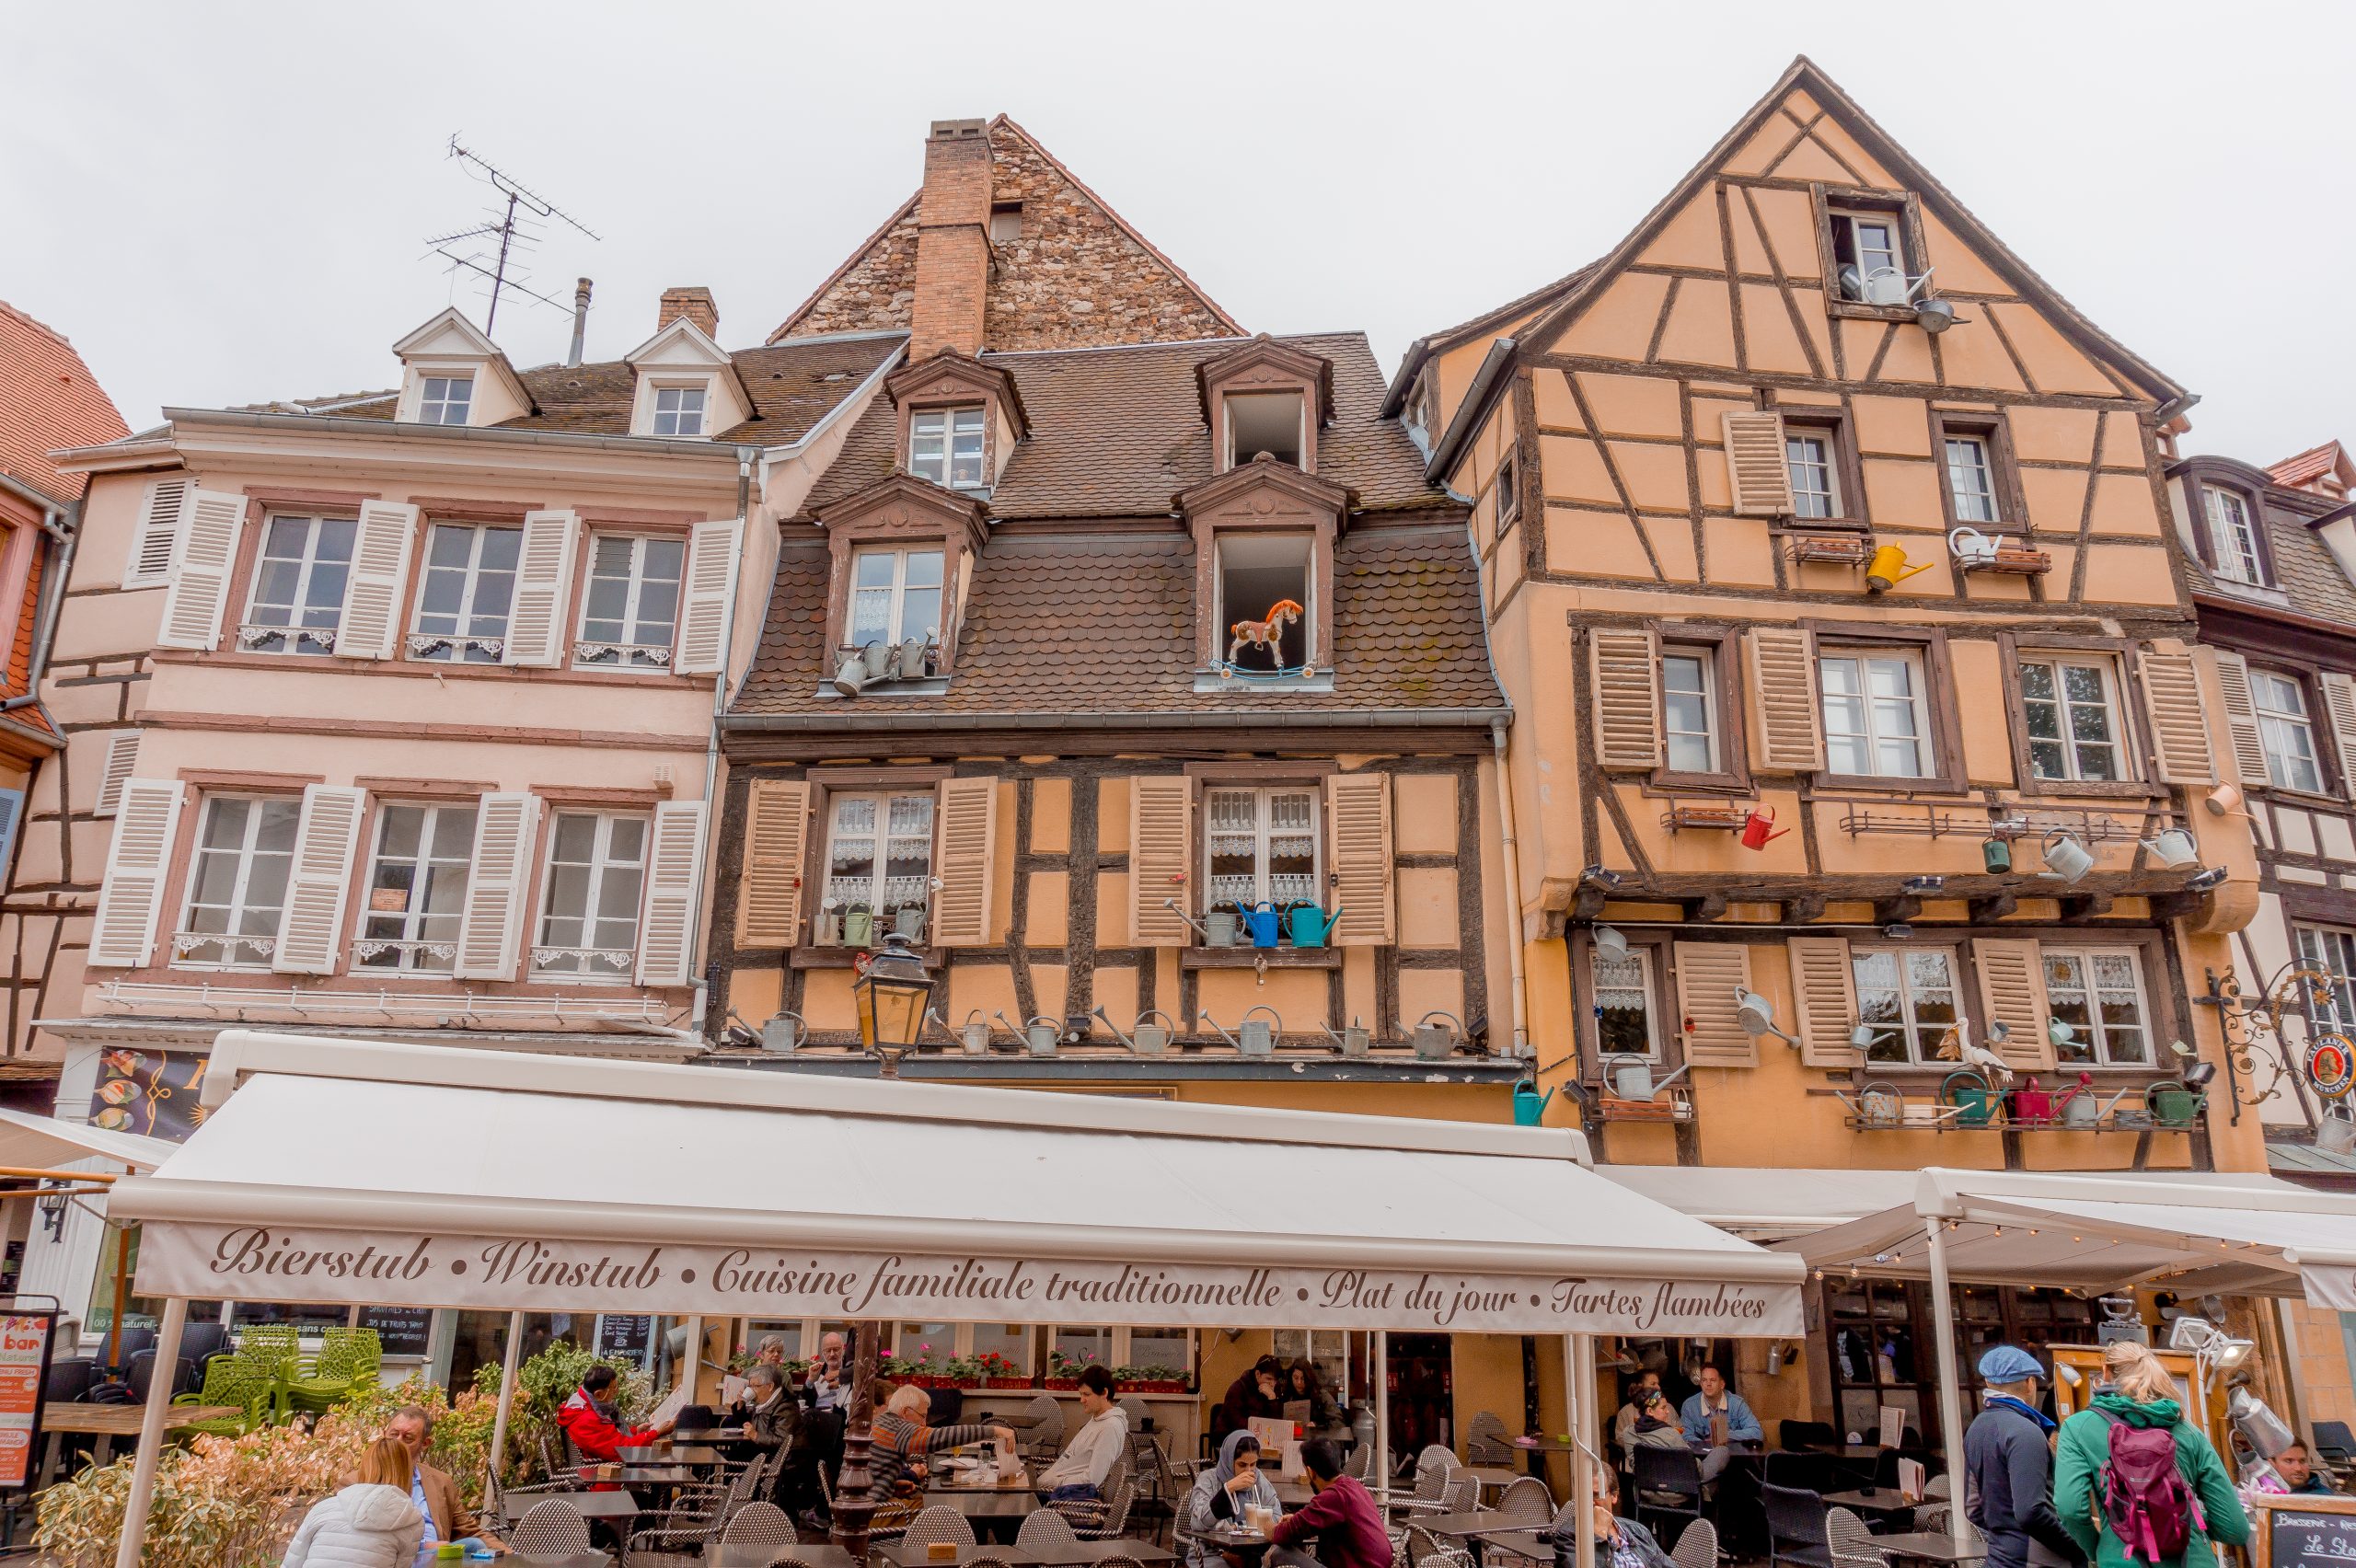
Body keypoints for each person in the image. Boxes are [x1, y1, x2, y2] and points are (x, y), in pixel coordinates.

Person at [2054, 1340, 2249, 1568]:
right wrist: (2181, 1519)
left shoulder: (2079, 1427)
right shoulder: (2186, 1431)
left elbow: (2070, 1508)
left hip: (2121, 1560)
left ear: (2106, 1371)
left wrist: (2098, 1549)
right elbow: (2235, 1528)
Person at [1965, 1345, 2083, 1568]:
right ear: (2030, 1383)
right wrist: (2077, 1547)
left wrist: (2004, 1535)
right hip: (2039, 1560)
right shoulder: (2027, 1432)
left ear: (1989, 1383)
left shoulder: (1977, 1427)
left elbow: (1973, 1506)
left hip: (1998, 1558)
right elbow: (2031, 1512)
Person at [282, 1435, 424, 1568]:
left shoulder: (323, 1508)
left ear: (364, 1467)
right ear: (406, 1472)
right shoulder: (411, 1520)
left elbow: (292, 1563)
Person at [381, 1404, 502, 1553]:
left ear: (425, 1444)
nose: (398, 1442)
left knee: (475, 1545)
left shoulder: (441, 1481)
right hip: (393, 1556)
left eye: (408, 1438)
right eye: (394, 1435)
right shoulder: (357, 1482)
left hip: (435, 1558)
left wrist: (515, 1558)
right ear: (384, 1434)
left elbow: (469, 1530)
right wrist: (423, 1546)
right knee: (473, 1546)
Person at [870, 1380, 1016, 1495]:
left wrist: (893, 1485)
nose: (924, 1423)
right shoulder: (899, 1428)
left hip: (871, 1503)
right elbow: (940, 1437)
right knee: (945, 1518)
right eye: (922, 1416)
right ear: (905, 1412)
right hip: (872, 1513)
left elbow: (874, 1475)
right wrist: (995, 1430)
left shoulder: (883, 1424)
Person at [1269, 1438, 1392, 1568]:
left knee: (1278, 1552)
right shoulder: (1354, 1486)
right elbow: (1314, 1520)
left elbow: (1281, 1534)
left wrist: (1265, 1525)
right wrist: (1297, 1519)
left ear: (1311, 1472)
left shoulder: (1333, 1496)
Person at [1039, 1365, 1130, 1521]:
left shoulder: (1110, 1427)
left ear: (1104, 1393)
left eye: (1086, 1394)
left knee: (1010, 1513)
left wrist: (1054, 1481)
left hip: (1064, 1499)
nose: (1081, 1400)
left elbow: (1093, 1480)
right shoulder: (1097, 1419)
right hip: (1055, 1492)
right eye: (1081, 1394)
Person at [1184, 1431, 1287, 1568]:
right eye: (1242, 1465)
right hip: (1211, 1552)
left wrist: (1240, 1527)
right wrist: (1229, 1488)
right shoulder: (1208, 1479)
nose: (1248, 1471)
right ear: (1228, 1460)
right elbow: (1198, 1522)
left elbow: (1275, 1515)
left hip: (1253, 1552)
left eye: (1253, 1464)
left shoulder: (1258, 1479)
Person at [1553, 1464, 1673, 1568]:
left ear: (1614, 1495)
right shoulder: (1568, 1536)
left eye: (1596, 1495)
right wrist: (1599, 1534)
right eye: (1583, 1494)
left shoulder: (1638, 1531)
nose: (1589, 1501)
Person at [557, 1364, 671, 1467]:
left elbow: (609, 1437)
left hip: (604, 1466)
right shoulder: (587, 1420)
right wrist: (656, 1434)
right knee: (661, 1465)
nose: (616, 1392)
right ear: (599, 1394)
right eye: (614, 1388)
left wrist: (635, 1431)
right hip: (603, 1476)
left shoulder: (583, 1405)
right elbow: (622, 1450)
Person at [1216, 1355, 1289, 1438]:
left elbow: (1276, 1422)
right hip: (1233, 1435)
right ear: (1257, 1374)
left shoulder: (1275, 1389)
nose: (1272, 1384)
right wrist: (1258, 1429)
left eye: (1275, 1380)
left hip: (1262, 1435)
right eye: (1269, 1379)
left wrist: (1272, 1400)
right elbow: (1233, 1420)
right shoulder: (1238, 1388)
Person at [1288, 1360, 1343, 1430]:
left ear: (1309, 1378)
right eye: (1296, 1378)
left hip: (1317, 1437)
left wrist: (1317, 1426)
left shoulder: (1322, 1396)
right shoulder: (1288, 1395)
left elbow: (1338, 1423)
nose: (1299, 1382)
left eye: (1303, 1379)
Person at [2269, 1442, 2339, 1495]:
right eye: (2289, 1461)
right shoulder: (2262, 1492)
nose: (2298, 1468)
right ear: (2272, 1463)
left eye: (2302, 1461)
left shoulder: (2323, 1497)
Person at [807, 1330, 851, 1411]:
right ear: (823, 1353)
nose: (832, 1354)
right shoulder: (819, 1371)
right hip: (818, 1417)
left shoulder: (849, 1370)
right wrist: (810, 1380)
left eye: (836, 1349)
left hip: (841, 1417)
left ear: (843, 1349)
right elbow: (805, 1402)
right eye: (828, 1350)